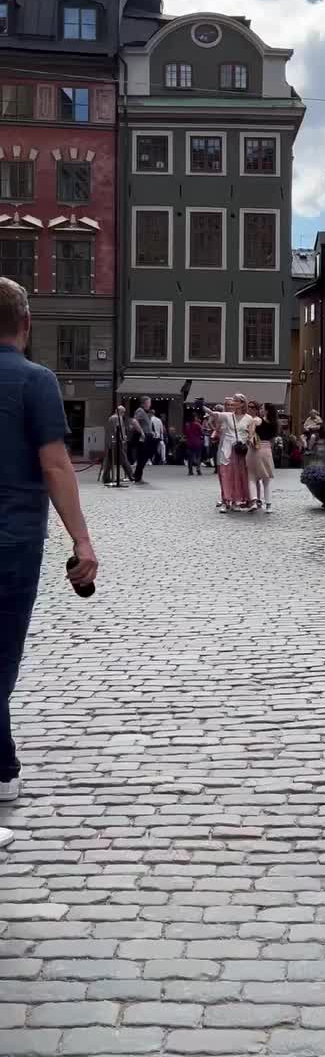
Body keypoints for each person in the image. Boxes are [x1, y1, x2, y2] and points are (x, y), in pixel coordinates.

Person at [0, 278, 98, 831]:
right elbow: (57, 465)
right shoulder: (36, 381)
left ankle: (3, 762)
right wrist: (81, 541)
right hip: (11, 538)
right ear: (27, 324)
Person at [214, 394, 251, 512]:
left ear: (241, 403)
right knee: (225, 474)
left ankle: (236, 500)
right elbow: (214, 415)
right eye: (231, 402)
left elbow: (251, 434)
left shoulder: (248, 418)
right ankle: (225, 500)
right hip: (226, 448)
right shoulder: (227, 416)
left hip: (240, 450)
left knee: (238, 476)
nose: (232, 404)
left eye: (235, 401)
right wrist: (202, 406)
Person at [247, 401, 278, 512]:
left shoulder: (256, 420)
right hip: (267, 450)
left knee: (251, 476)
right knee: (266, 479)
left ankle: (254, 501)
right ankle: (268, 505)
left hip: (255, 449)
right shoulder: (274, 424)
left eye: (261, 408)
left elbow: (250, 435)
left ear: (266, 410)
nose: (260, 410)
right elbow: (272, 440)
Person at [101, 405, 134, 485]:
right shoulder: (117, 418)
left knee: (109, 460)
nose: (123, 414)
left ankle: (106, 477)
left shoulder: (111, 417)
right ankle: (131, 475)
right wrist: (123, 438)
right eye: (123, 412)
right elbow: (117, 429)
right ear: (120, 412)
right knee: (124, 459)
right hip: (116, 442)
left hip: (110, 442)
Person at [131, 396, 156, 484]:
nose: (150, 404)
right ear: (143, 403)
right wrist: (142, 432)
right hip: (143, 438)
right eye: (149, 402)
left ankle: (137, 476)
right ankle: (137, 477)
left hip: (147, 437)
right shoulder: (140, 411)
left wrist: (151, 432)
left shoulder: (145, 412)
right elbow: (134, 421)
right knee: (143, 457)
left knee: (145, 456)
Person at [184, 411, 204, 475]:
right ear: (194, 418)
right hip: (197, 442)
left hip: (189, 442)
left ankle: (190, 471)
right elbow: (202, 432)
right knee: (198, 456)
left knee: (190, 457)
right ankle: (198, 469)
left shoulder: (187, 425)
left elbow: (186, 433)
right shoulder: (198, 424)